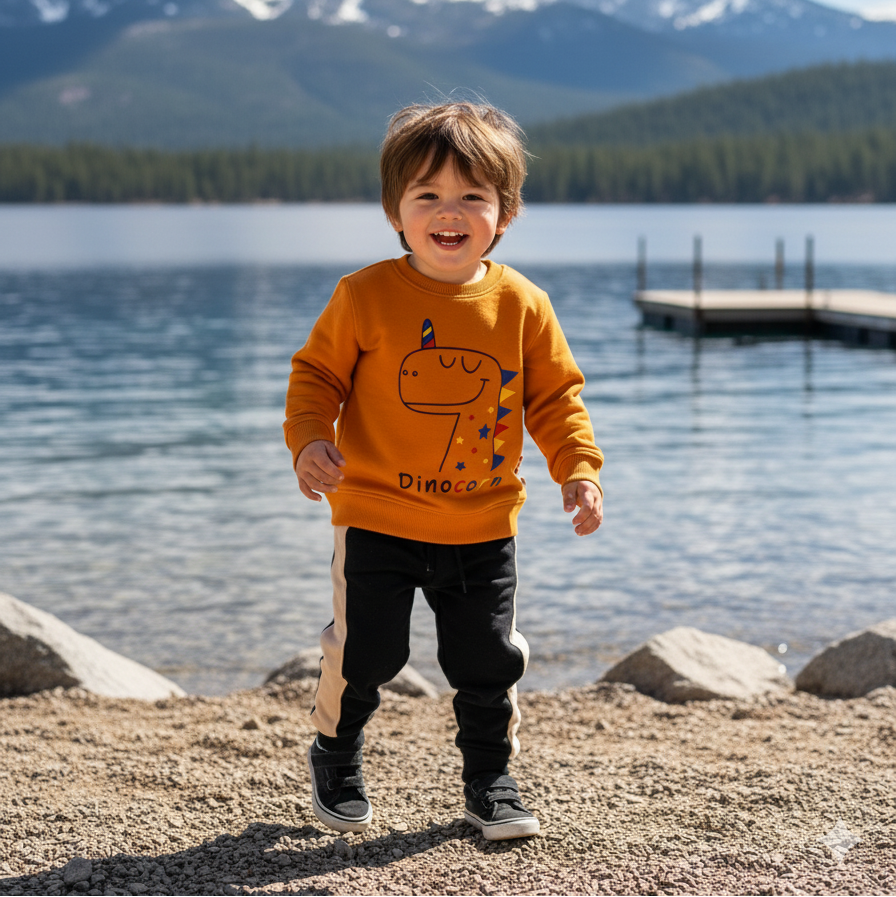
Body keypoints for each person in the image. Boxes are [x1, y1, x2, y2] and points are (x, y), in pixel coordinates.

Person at [283, 101, 603, 841]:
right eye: (427, 195)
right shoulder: (364, 295)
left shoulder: (523, 304)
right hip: (374, 515)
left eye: (471, 197)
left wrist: (578, 468)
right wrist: (307, 441)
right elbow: (315, 378)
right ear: (396, 210)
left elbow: (556, 398)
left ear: (506, 211)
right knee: (368, 652)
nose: (448, 213)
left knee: (488, 660)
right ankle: (335, 750)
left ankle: (490, 779)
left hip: (483, 523)